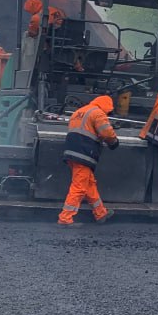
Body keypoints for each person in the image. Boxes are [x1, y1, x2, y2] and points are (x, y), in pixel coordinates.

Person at [58, 94, 118, 226]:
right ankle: (65, 218)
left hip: (72, 153)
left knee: (89, 184)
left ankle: (100, 213)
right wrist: (113, 141)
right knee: (79, 187)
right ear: (107, 106)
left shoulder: (79, 111)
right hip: (84, 154)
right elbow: (106, 133)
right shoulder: (98, 113)